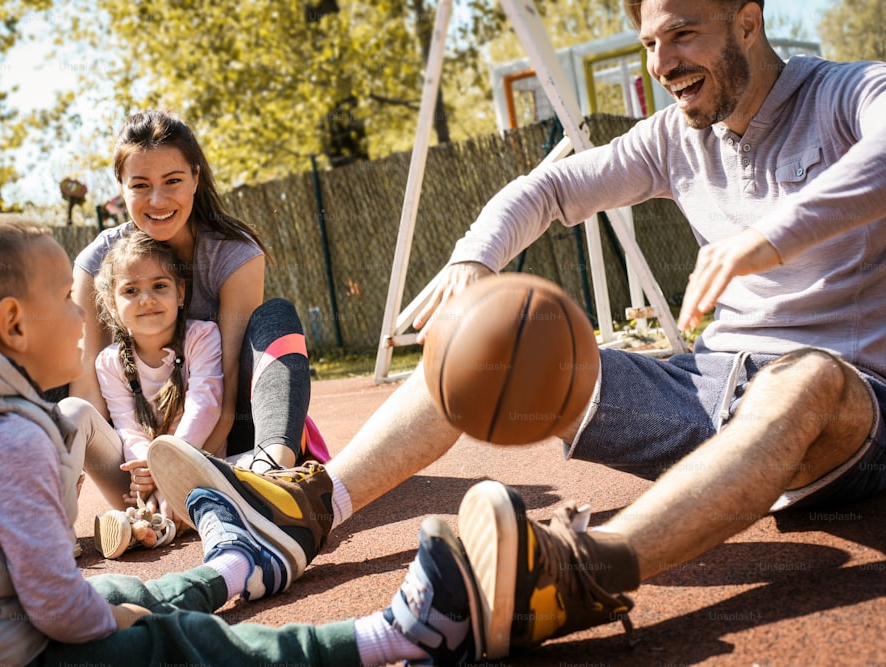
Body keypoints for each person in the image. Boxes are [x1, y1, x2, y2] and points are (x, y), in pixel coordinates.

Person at [145, 0, 886, 660]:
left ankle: (570, 575)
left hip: (846, 409)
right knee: (485, 341)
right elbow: (550, 186)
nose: (663, 64)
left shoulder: (849, 93)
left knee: (808, 375)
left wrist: (772, 237)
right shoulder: (675, 138)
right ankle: (307, 510)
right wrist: (475, 261)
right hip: (709, 387)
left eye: (682, 35)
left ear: (748, 21)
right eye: (650, 45)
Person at [0, 213, 482, 667]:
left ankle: (236, 566)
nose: (81, 314)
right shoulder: (6, 435)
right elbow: (57, 607)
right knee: (169, 640)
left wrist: (108, 604)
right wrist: (111, 619)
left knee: (119, 590)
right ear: (15, 323)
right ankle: (397, 634)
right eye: (68, 299)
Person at [71, 110, 329, 510]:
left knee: (276, 316)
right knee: (49, 358)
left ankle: (274, 470)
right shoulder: (97, 260)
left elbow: (223, 398)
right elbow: (87, 381)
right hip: (134, 457)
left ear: (195, 177)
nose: (157, 200)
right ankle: (62, 515)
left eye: (172, 181)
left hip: (223, 437)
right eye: (140, 185)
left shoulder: (234, 253)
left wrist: (181, 471)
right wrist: (141, 474)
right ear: (121, 187)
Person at [86, 230, 223, 558]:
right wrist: (148, 467)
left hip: (197, 460)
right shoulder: (110, 362)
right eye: (131, 290)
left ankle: (150, 525)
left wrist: (167, 467)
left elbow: (204, 405)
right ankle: (144, 522)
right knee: (147, 497)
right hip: (144, 472)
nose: (146, 299)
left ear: (180, 292)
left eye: (159, 286)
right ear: (111, 303)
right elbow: (126, 425)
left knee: (224, 484)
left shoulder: (201, 336)